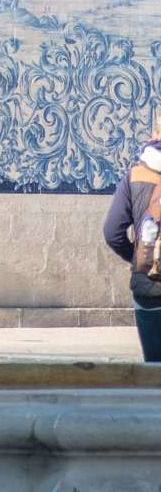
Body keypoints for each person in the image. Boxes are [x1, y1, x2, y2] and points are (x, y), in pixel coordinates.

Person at [102, 127, 161, 362]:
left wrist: (139, 259)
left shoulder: (135, 176)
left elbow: (112, 233)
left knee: (155, 373)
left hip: (148, 288)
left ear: (155, 133)